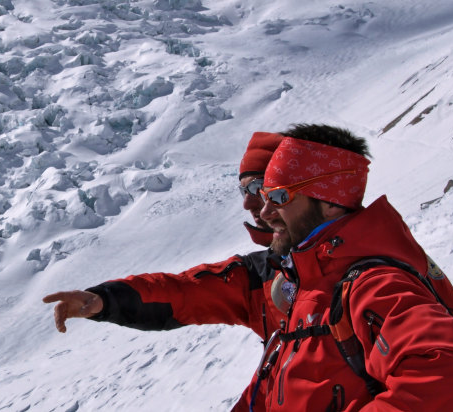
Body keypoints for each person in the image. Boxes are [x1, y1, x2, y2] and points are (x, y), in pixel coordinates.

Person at [43, 131, 290, 411]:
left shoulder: (347, 271)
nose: (247, 203)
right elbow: (182, 292)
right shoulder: (261, 274)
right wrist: (106, 301)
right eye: (243, 191)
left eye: (257, 187)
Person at [255, 124, 453, 411]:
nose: (264, 213)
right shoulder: (315, 278)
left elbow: (443, 372)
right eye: (264, 195)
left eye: (279, 197)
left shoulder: (374, 283)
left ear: (329, 202)